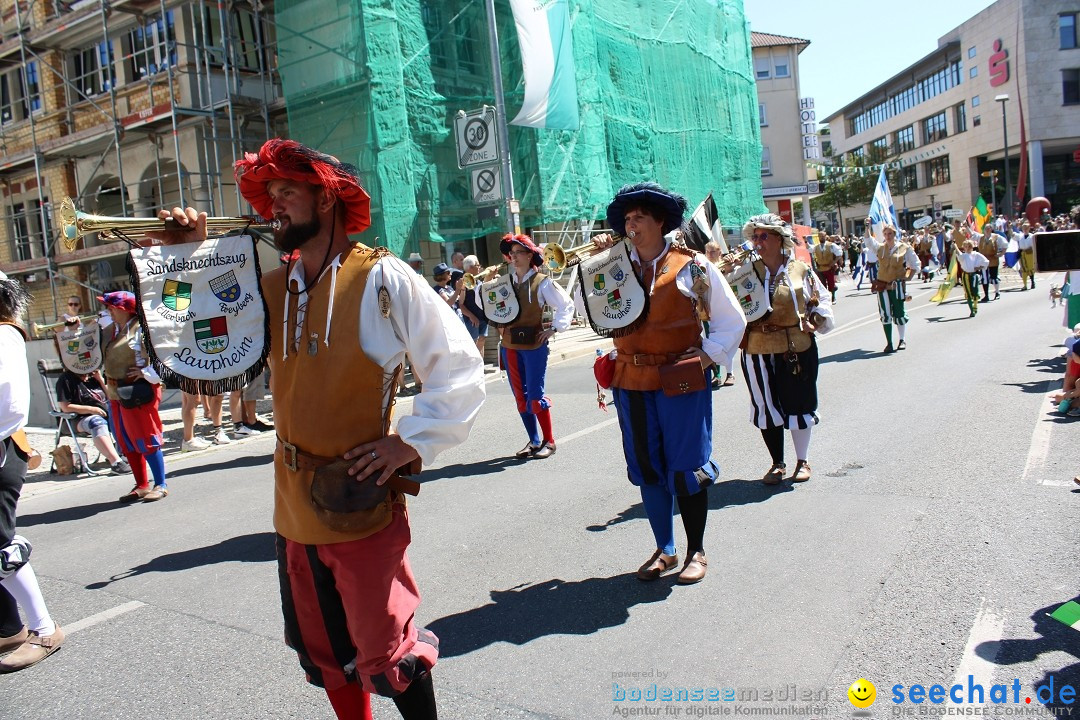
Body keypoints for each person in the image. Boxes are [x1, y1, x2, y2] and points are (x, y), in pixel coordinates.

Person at [156, 138, 485, 720]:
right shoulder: (267, 286)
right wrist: (185, 259)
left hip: (359, 501)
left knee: (389, 656)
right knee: (326, 654)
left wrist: (408, 440)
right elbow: (189, 338)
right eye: (270, 194)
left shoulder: (384, 278)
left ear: (326, 199)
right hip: (292, 508)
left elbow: (458, 368)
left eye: (286, 192)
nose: (273, 206)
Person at [585, 183, 746, 585]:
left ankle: (697, 551)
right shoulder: (611, 266)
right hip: (631, 380)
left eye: (639, 217)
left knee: (687, 467)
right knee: (648, 468)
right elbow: (596, 317)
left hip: (680, 380)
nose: (631, 224)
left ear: (660, 222)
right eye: (627, 219)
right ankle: (665, 549)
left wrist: (707, 356)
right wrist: (593, 271)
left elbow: (733, 320)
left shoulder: (692, 266)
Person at [737, 215, 834, 486]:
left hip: (795, 346)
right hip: (756, 346)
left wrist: (815, 319)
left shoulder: (800, 269)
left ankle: (802, 460)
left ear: (779, 238)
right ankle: (777, 463)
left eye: (763, 236)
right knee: (766, 405)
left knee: (798, 402)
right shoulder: (744, 272)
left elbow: (821, 298)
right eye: (754, 237)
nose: (757, 242)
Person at [0, 271, 65, 673]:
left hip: (3, 446)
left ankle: (45, 629)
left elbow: (9, 405)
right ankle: (8, 626)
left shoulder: (5, 334)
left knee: (0, 545)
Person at [482, 234, 573, 459]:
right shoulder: (505, 281)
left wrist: (554, 329)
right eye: (510, 254)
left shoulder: (542, 281)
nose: (513, 257)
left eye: (518, 253)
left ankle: (549, 441)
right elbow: (486, 304)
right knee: (520, 398)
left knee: (534, 395)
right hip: (510, 346)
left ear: (529, 255)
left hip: (534, 346)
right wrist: (486, 284)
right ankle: (533, 441)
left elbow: (566, 305)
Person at [99, 292, 169, 502]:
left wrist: (146, 373)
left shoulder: (143, 330)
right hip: (115, 393)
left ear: (123, 309)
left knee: (145, 437)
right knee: (126, 440)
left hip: (137, 391)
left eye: (111, 307)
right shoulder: (110, 330)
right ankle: (141, 484)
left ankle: (161, 483)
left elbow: (162, 357)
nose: (108, 311)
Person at [54, 369, 131, 474]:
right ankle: (116, 463)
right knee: (96, 422)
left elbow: (112, 397)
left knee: (121, 416)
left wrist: (100, 380)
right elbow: (65, 407)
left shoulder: (93, 377)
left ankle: (125, 453)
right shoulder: (65, 379)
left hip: (105, 414)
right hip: (76, 419)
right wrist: (91, 409)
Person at [873, 224, 920, 354]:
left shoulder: (904, 248)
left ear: (895, 235)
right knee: (885, 313)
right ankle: (889, 343)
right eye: (886, 234)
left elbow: (915, 264)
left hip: (897, 285)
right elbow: (868, 241)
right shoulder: (880, 248)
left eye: (890, 234)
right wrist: (867, 227)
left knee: (899, 312)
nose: (888, 236)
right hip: (882, 285)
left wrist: (908, 278)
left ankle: (902, 339)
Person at [460, 255, 490, 362]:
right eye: (477, 265)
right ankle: (473, 363)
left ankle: (480, 364)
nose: (479, 267)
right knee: (473, 341)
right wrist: (471, 316)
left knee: (482, 339)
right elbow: (461, 304)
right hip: (471, 318)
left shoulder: (478, 281)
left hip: (482, 316)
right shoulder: (464, 282)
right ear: (470, 268)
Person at [956, 240, 990, 317]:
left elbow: (986, 261)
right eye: (965, 246)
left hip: (974, 275)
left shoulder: (976, 254)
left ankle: (975, 307)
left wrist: (979, 267)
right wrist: (956, 248)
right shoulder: (963, 255)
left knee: (975, 292)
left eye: (969, 246)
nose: (967, 248)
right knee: (968, 293)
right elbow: (960, 257)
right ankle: (972, 310)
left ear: (972, 247)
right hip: (966, 276)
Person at [977, 223, 1007, 302]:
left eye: (988, 228)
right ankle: (986, 295)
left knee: (994, 277)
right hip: (983, 261)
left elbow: (1005, 244)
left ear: (991, 229)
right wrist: (966, 227)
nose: (987, 230)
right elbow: (972, 234)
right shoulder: (981, 238)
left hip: (993, 260)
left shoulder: (996, 237)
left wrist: (1001, 254)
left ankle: (997, 292)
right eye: (986, 228)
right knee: (984, 278)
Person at [812, 235, 843, 303]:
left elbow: (839, 253)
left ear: (825, 237)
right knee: (822, 284)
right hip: (820, 268)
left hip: (829, 268)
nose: (821, 238)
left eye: (823, 236)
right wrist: (805, 241)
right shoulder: (816, 247)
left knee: (831, 283)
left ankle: (833, 297)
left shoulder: (831, 245)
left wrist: (834, 262)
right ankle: (825, 299)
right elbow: (810, 250)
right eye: (820, 237)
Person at [1015, 220, 1036, 290]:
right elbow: (1012, 235)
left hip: (1030, 253)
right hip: (1022, 253)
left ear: (1029, 228)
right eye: (1024, 228)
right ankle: (1025, 285)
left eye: (1026, 228)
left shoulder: (1032, 236)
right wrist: (1010, 228)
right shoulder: (1020, 236)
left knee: (1030, 268)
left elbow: (1034, 246)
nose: (1025, 230)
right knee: (1023, 269)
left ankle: (1032, 281)